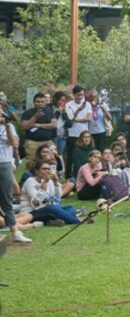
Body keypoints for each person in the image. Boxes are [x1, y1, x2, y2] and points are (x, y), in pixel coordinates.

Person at [1, 111, 33, 242]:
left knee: (6, 199)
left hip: (4, 163)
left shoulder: (9, 126)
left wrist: (7, 126)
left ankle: (15, 232)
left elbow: (13, 143)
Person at [19, 161, 82, 226]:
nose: (47, 171)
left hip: (46, 209)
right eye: (44, 169)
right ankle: (77, 221)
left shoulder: (49, 181)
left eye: (48, 169)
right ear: (37, 171)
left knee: (70, 207)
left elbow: (57, 197)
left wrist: (56, 183)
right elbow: (36, 203)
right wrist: (44, 183)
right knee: (52, 208)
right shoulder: (30, 181)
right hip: (31, 211)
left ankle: (51, 221)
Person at [20, 92, 56, 165]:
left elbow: (54, 125)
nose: (40, 104)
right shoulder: (27, 113)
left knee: (50, 163)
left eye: (42, 102)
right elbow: (24, 127)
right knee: (31, 164)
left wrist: (39, 125)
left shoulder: (50, 112)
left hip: (47, 142)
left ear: (45, 102)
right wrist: (35, 117)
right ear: (34, 102)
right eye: (38, 102)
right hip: (32, 143)